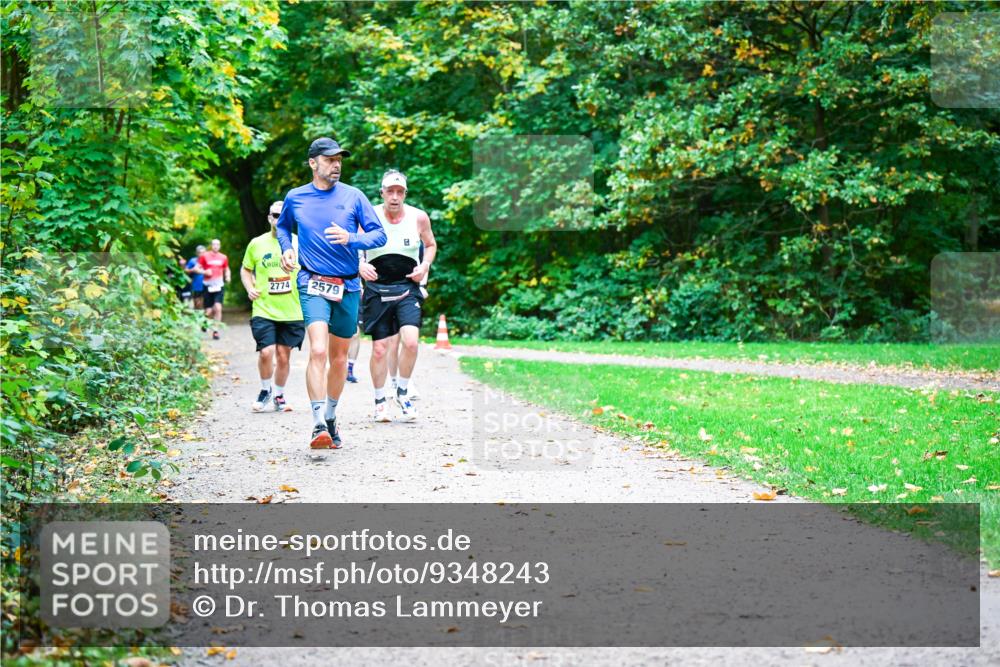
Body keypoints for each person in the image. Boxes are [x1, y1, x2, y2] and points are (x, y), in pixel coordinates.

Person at [276, 137, 386, 449]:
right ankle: (317, 424)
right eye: (329, 159)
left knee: (339, 359)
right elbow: (284, 227)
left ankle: (332, 415)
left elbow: (378, 234)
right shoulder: (296, 198)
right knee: (319, 351)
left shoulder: (353, 197)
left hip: (348, 285)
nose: (336, 164)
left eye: (339, 159)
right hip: (311, 282)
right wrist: (286, 249)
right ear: (313, 163)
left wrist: (351, 238)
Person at [360, 169, 436, 423]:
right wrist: (359, 265)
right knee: (380, 349)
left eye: (399, 192)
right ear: (381, 193)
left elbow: (431, 245)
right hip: (377, 290)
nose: (394, 197)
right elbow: (351, 244)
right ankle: (380, 400)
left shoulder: (418, 217)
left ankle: (402, 392)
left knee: (411, 342)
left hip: (406, 289)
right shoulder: (368, 214)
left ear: (405, 194)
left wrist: (424, 266)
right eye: (390, 191)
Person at [241, 200, 305, 413]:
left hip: (292, 309)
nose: (279, 219)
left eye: (283, 215)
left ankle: (279, 394)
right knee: (266, 352)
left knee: (284, 355)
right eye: (275, 215)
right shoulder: (257, 243)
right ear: (269, 218)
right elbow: (245, 269)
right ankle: (265, 389)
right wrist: (250, 288)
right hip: (264, 308)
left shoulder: (300, 243)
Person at [198, 239, 230, 339]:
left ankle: (215, 331)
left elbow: (226, 268)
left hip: (219, 285)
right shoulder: (205, 256)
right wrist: (204, 272)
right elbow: (196, 268)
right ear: (211, 246)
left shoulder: (223, 257)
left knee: (218, 308)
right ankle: (205, 321)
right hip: (208, 285)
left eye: (217, 244)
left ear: (220, 246)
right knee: (208, 311)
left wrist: (228, 276)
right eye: (214, 244)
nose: (216, 246)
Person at [185, 245, 206, 311]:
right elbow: (186, 270)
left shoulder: (208, 261)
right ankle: (198, 315)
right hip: (196, 285)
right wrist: (193, 270)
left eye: (203, 252)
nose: (202, 254)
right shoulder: (193, 261)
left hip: (206, 285)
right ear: (197, 253)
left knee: (204, 303)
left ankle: (204, 318)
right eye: (200, 253)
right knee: (197, 303)